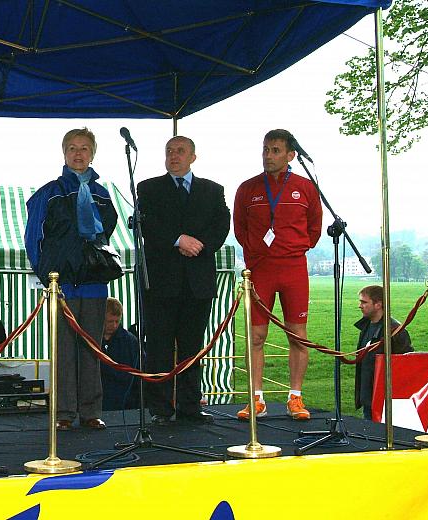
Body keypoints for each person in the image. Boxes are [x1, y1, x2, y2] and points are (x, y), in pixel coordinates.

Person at [25, 127, 118, 431]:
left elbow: (106, 235)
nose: (79, 154)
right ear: (64, 153)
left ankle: (91, 410)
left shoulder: (103, 195)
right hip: (62, 284)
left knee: (92, 348)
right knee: (63, 350)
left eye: (85, 148)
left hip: (93, 284)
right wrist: (48, 277)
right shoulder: (49, 193)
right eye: (73, 148)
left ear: (93, 154)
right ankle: (64, 411)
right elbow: (33, 238)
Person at [137, 136, 230, 426]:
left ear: (193, 157)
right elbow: (147, 225)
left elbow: (221, 225)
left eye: (180, 151)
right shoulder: (148, 188)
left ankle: (190, 406)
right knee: (159, 347)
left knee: (192, 347)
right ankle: (160, 409)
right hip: (161, 282)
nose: (173, 156)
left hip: (197, 282)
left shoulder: (212, 190)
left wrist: (200, 245)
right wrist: (178, 240)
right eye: (169, 151)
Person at [233, 128, 323, 420]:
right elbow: (240, 227)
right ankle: (256, 398)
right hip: (260, 269)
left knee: (298, 335)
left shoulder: (306, 187)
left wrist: (295, 247)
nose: (268, 156)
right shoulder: (247, 188)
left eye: (275, 151)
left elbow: (314, 227)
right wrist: (256, 251)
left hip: (294, 269)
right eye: (265, 150)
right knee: (256, 336)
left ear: (290, 155)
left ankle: (295, 397)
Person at [355, 285, 412, 420]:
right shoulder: (366, 326)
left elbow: (406, 364)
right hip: (368, 398)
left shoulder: (395, 330)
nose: (360, 306)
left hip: (386, 401)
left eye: (364, 302)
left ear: (378, 305)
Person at [100, 297, 142, 411]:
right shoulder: (90, 340)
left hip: (125, 401)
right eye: (110, 322)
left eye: (117, 321)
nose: (114, 325)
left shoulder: (130, 341)